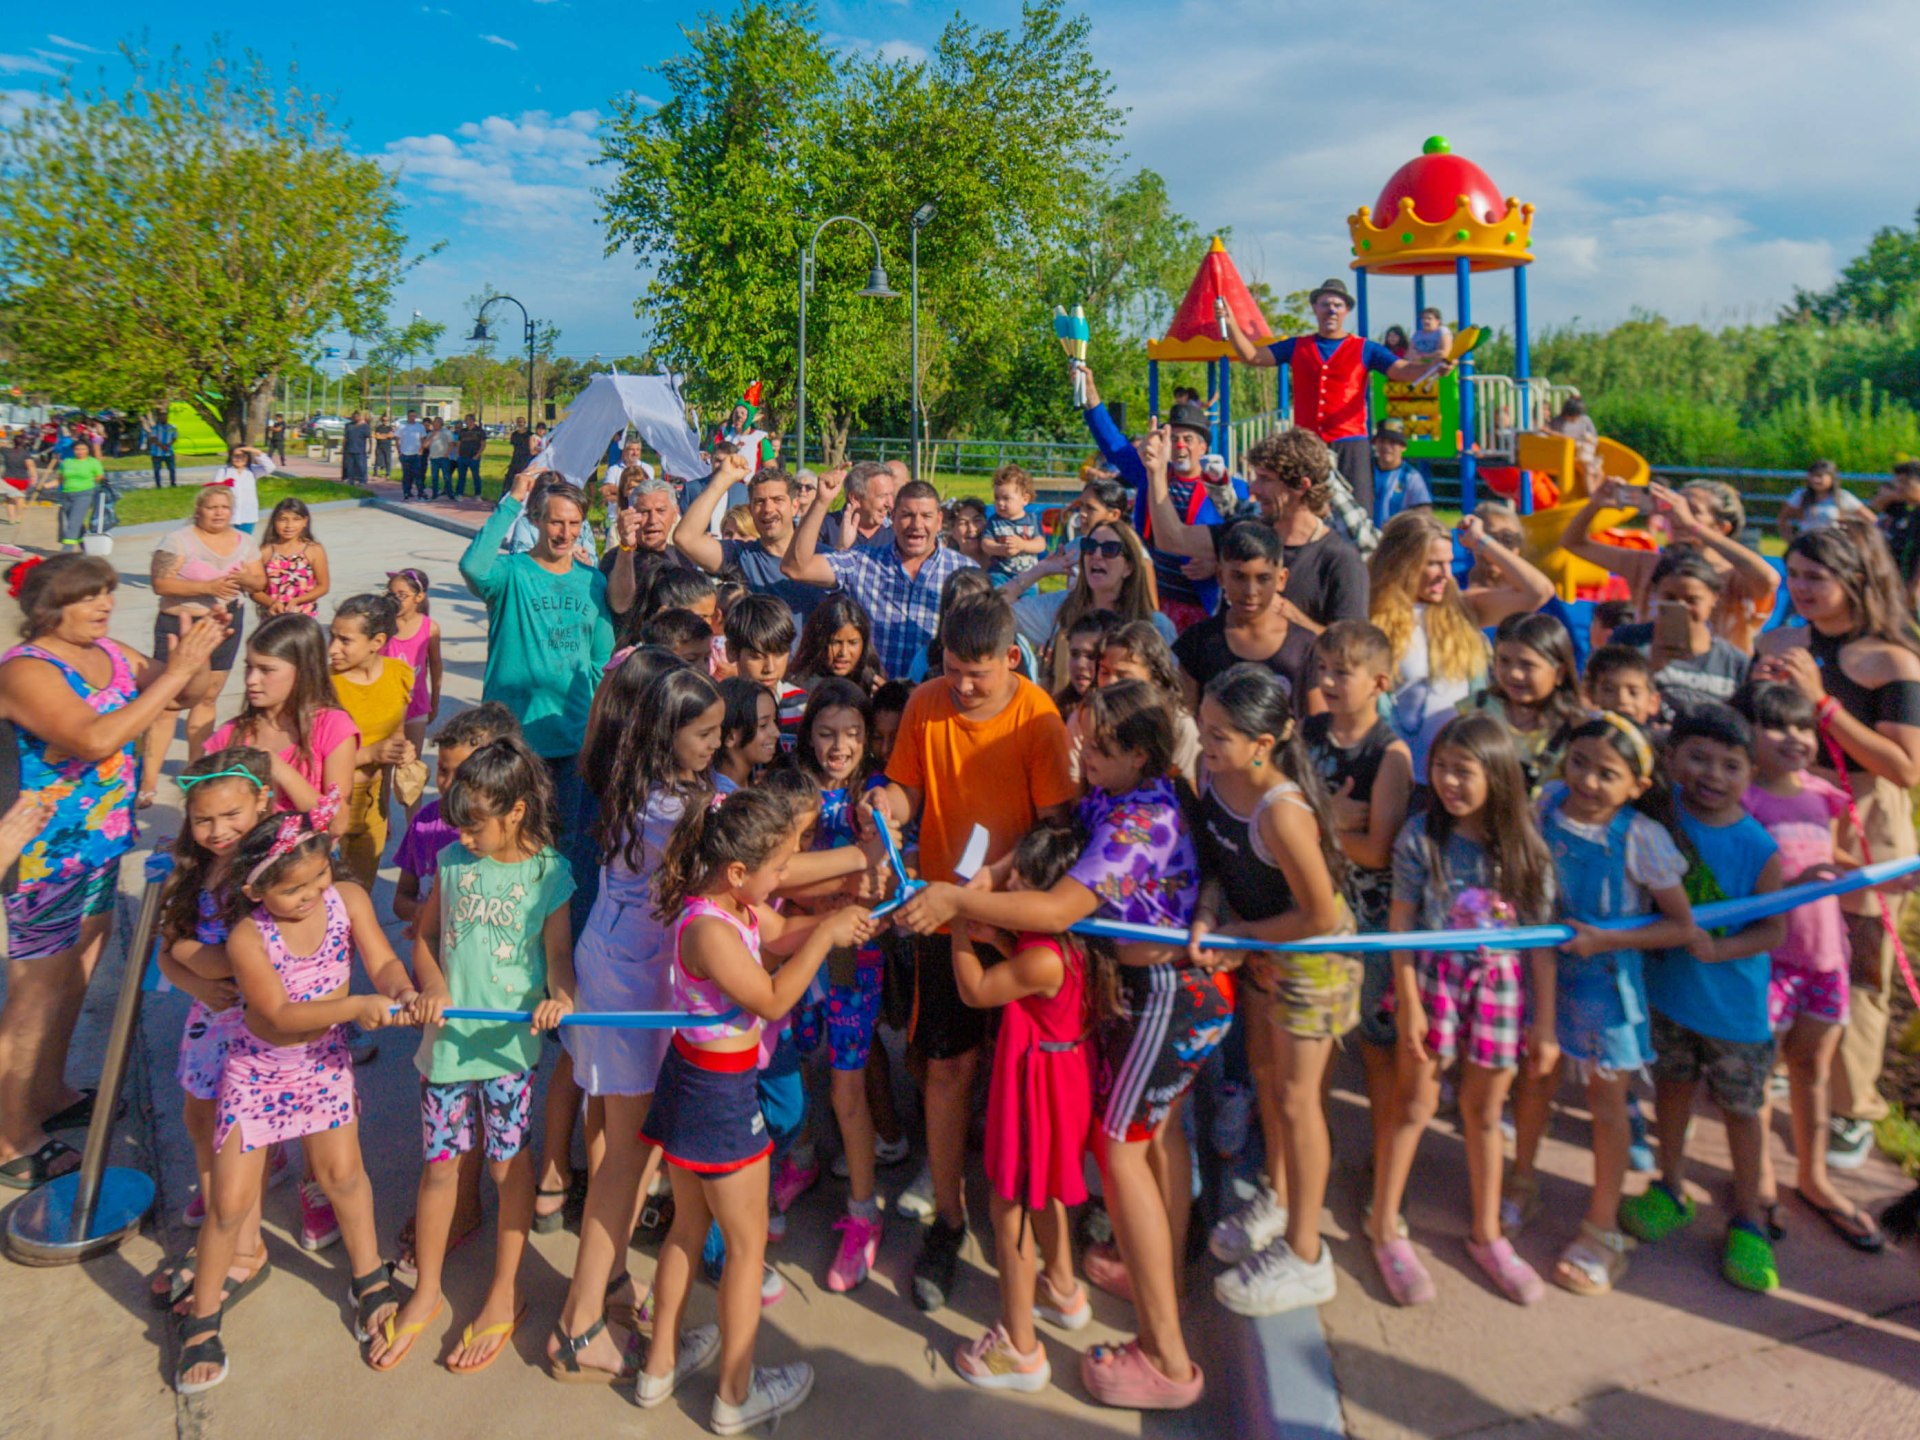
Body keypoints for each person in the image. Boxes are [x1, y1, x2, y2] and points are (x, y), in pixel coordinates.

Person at [898, 681, 1218, 1411]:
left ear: (1140, 754)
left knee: (1119, 1151)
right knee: (1126, 1146)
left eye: (1097, 747)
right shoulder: (1116, 794)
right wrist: (993, 874)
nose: (1078, 754)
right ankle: (1106, 1283)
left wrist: (957, 902)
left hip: (1161, 1000)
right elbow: (1056, 843)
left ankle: (1167, 1357)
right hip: (1121, 1003)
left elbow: (1057, 905)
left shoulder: (1147, 820)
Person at [862, 594, 1075, 1312]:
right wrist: (886, 807)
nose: (963, 687)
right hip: (941, 917)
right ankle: (949, 1215)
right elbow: (905, 790)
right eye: (953, 671)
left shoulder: (1040, 717)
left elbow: (1055, 828)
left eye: (977, 674)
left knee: (1022, 1079)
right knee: (946, 1071)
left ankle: (1036, 1222)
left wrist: (989, 884)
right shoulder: (925, 703)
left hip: (1017, 926)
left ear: (1012, 659)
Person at [637, 788, 873, 1432]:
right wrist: (826, 934)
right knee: (744, 1250)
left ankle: (659, 1367)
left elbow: (778, 933)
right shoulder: (712, 930)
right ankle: (734, 1398)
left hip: (693, 1082)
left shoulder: (730, 905)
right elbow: (770, 998)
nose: (783, 882)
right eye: (779, 870)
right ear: (739, 871)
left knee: (687, 1229)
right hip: (717, 1094)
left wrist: (842, 913)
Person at [173, 806, 417, 1394]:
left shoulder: (349, 900)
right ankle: (203, 1321)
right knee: (229, 1205)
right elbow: (277, 1017)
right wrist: (356, 1008)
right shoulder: (246, 936)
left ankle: (368, 1281)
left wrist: (400, 988)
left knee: (346, 1178)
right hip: (257, 1072)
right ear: (254, 888)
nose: (310, 895)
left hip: (323, 1067)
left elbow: (381, 960)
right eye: (292, 888)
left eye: (318, 879)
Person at [0, 557, 224, 1190]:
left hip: (100, 845)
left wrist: (198, 650)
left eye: (106, 593)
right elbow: (94, 738)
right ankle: (8, 1133)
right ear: (49, 608)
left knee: (76, 977)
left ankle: (48, 1093)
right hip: (42, 853)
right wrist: (173, 676)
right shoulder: (26, 672)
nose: (104, 606)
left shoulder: (111, 653)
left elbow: (187, 694)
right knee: (34, 993)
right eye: (88, 598)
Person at [371, 741, 577, 1373]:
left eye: (476, 822)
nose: (464, 834)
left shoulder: (550, 874)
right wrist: (431, 985)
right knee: (439, 1169)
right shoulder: (455, 862)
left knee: (505, 1165)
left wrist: (561, 998)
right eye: (460, 822)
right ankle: (426, 1290)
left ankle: (501, 1292)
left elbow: (560, 962)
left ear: (516, 812)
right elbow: (425, 939)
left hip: (510, 1050)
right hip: (449, 1049)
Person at [1369, 712, 1559, 1308]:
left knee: (1484, 1112)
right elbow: (1400, 925)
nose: (1449, 782)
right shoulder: (1421, 838)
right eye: (1441, 769)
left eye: (1463, 770)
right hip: (1431, 983)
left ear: (1497, 775)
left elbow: (1542, 947)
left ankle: (1487, 1234)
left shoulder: (1526, 847)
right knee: (1414, 1104)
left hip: (1502, 990)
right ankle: (1383, 1229)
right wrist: (1409, 1006)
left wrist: (1545, 1026)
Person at [1507, 714, 1697, 1295]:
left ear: (1637, 785)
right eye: (1581, 762)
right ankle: (1521, 1181)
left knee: (1607, 1104)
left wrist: (1607, 939)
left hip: (1606, 991)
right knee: (1533, 1082)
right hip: (1542, 978)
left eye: (1607, 773)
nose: (1588, 781)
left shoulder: (1642, 838)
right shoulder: (1545, 809)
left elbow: (1680, 927)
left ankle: (1601, 1226)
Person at [1754, 524, 1920, 1170]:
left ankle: (1853, 1105)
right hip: (1783, 815)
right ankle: (1782, 1064)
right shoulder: (1778, 641)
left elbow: (1904, 767)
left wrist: (1821, 705)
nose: (1802, 589)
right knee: (1781, 944)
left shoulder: (1893, 661)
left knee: (1858, 966)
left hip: (1866, 822)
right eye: (1795, 576)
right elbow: (1750, 727)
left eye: (1816, 578)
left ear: (1856, 580)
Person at [1191, 665, 1354, 1318]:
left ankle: (1306, 1253)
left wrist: (1242, 937)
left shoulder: (1282, 812)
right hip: (1257, 947)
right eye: (1203, 727)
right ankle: (1280, 1198)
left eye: (1219, 734)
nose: (1204, 743)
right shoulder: (1211, 775)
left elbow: (1318, 915)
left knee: (1295, 1100)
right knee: (1264, 1078)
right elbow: (1218, 865)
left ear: (1263, 743)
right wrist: (1210, 917)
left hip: (1308, 961)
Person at [1620, 705, 1787, 1294]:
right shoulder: (1656, 819)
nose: (1712, 774)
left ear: (1750, 772)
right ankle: (1670, 1186)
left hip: (1735, 1016)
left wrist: (1718, 952)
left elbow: (1774, 931)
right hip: (1669, 997)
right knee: (1671, 1091)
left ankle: (1748, 1219)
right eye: (1697, 758)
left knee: (1743, 1114)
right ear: (1671, 759)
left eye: (1730, 765)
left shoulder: (1758, 846)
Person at [147, 748, 304, 1315]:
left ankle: (246, 1249)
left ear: (263, 803)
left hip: (253, 1030)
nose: (217, 831)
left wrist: (186, 954)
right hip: (205, 1023)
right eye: (203, 819)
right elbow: (166, 960)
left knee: (239, 1140)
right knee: (199, 1122)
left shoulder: (267, 874)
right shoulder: (194, 872)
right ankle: (219, 1235)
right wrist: (188, 976)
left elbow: (226, 962)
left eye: (232, 816)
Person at [1734, 682, 1884, 1251]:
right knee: (1760, 1070)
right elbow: (1740, 877)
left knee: (1813, 1067)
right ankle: (1761, 1178)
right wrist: (1791, 885)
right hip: (1770, 960)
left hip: (1825, 957)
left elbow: (1832, 860)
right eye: (1777, 726)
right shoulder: (1745, 801)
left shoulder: (1824, 796)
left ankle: (1814, 1177)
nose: (1794, 737)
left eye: (1802, 726)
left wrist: (1884, 875)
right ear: (1746, 734)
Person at [947, 823, 1095, 1394]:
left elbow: (976, 990)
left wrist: (958, 921)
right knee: (1047, 1193)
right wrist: (1003, 939)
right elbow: (1035, 969)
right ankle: (1062, 1289)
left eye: (1022, 886)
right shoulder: (1072, 942)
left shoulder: (1042, 959)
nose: (1012, 896)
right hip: (1061, 1079)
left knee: (1008, 1207)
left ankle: (1020, 1348)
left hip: (1034, 1086)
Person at [460, 464, 618, 904]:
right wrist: (512, 498)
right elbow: (473, 566)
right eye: (555, 521)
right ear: (536, 522)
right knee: (505, 844)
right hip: (511, 742)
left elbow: (601, 658)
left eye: (574, 524)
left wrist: (587, 719)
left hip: (569, 742)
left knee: (560, 848)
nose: (564, 533)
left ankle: (554, 938)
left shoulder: (592, 581)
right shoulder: (510, 574)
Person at [1303, 621, 1413, 1171]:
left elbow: (1378, 850)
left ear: (1378, 682)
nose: (1326, 680)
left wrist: (1319, 828)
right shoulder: (1311, 732)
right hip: (1314, 912)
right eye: (1322, 668)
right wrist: (1327, 820)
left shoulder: (1390, 755)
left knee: (1374, 1044)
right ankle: (1308, 1156)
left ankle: (1384, 1162)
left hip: (1367, 923)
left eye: (1341, 672)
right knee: (1315, 1046)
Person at [1221, 277, 1449, 511]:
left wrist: (1431, 368)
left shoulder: (1365, 348)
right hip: (1306, 443)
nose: (1331, 310)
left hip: (1350, 443)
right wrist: (1230, 325)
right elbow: (1252, 356)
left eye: (1338, 305)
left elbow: (1401, 370)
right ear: (1315, 308)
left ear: (1347, 310)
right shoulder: (1297, 345)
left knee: (1358, 508)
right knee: (1303, 507)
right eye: (1325, 304)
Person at [1369, 510, 1554, 774]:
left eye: (1449, 563)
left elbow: (1538, 591)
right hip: (1398, 774)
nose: (1447, 573)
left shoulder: (1463, 608)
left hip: (1463, 772)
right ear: (1402, 562)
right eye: (1434, 563)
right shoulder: (1369, 613)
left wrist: (1482, 542)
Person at [1144, 426, 1369, 631]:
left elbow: (1350, 650)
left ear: (1301, 486)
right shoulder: (1247, 533)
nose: (1253, 488)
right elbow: (1171, 539)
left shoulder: (1340, 561)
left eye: (1265, 479)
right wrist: (1156, 471)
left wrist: (1292, 616)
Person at [1075, 370, 1243, 627]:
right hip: (1150, 601)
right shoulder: (1152, 475)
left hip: (1204, 608)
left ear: (1203, 447)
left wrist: (1217, 564)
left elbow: (1248, 545)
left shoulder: (1231, 489)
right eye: (1173, 438)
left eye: (1188, 439)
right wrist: (1091, 397)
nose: (1179, 446)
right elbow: (1114, 445)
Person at [783, 469, 979, 679]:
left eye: (926, 516)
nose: (916, 525)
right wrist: (821, 502)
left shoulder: (965, 573)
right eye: (907, 515)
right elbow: (796, 567)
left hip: (935, 700)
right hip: (872, 700)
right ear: (892, 517)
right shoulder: (862, 561)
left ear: (939, 521)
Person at [1562, 478, 1779, 655]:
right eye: (1675, 506)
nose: (1678, 516)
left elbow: (1768, 579)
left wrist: (1693, 527)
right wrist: (1595, 504)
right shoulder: (1647, 565)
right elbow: (1573, 543)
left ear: (1721, 527)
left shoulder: (1734, 577)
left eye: (1692, 510)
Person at [147, 486, 268, 769]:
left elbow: (260, 582)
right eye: (211, 507)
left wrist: (246, 579)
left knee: (208, 696)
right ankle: (149, 778)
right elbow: (160, 583)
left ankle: (195, 767)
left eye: (224, 507)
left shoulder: (245, 542)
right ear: (198, 510)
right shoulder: (178, 540)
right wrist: (207, 587)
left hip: (225, 624)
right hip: (181, 623)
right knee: (168, 699)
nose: (218, 513)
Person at [205, 615, 359, 831]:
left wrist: (277, 768)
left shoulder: (333, 727)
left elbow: (336, 824)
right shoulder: (231, 734)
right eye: (249, 667)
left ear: (303, 671)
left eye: (266, 670)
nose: (251, 680)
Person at [999, 519, 1174, 691]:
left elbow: (1170, 689)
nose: (1096, 555)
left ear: (1128, 567)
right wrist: (1040, 569)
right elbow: (990, 610)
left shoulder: (1156, 626)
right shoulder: (1060, 607)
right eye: (1089, 546)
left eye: (1109, 549)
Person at [1173, 520, 1317, 715]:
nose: (1250, 591)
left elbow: (1317, 727)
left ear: (1281, 579)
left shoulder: (1305, 647)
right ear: (1221, 576)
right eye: (1239, 577)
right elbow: (1187, 722)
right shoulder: (1198, 642)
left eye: (1263, 578)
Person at [327, 594, 418, 890]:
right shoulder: (324, 685)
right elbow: (312, 757)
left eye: (344, 640)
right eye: (332, 637)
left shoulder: (398, 675)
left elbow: (397, 733)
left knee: (359, 892)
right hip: (331, 807)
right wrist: (371, 753)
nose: (332, 649)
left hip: (374, 806)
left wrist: (403, 752)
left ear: (377, 642)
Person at [675, 455, 829, 624]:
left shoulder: (824, 557)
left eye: (778, 500)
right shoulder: (740, 555)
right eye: (760, 502)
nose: (768, 509)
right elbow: (685, 538)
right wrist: (722, 479)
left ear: (795, 507)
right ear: (750, 510)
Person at [1607, 550, 1751, 724]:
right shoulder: (1629, 640)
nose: (1681, 606)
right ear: (1655, 594)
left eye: (1692, 600)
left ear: (1713, 599)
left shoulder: (1734, 662)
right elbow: (1604, 694)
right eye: (1670, 597)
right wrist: (1650, 667)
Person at [1469, 612, 1587, 795]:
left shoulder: (1577, 729)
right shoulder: (1474, 710)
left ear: (1560, 673)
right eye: (1504, 661)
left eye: (1527, 665)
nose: (1514, 673)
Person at [383, 568, 442, 770]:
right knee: (383, 768)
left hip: (416, 705)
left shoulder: (429, 628)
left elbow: (435, 665)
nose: (396, 600)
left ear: (419, 597)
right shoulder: (383, 626)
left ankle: (413, 804)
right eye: (391, 594)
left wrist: (434, 702)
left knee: (412, 768)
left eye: (402, 595)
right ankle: (382, 803)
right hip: (385, 705)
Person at [789, 593, 883, 694]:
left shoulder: (874, 687)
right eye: (835, 642)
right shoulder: (800, 693)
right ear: (818, 642)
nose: (843, 653)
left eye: (852, 643)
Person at [252, 498, 330, 621]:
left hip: (303, 618)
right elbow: (255, 591)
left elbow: (323, 586)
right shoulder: (265, 551)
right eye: (283, 520)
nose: (289, 525)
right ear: (274, 522)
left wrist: (297, 600)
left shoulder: (313, 549)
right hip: (272, 619)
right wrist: (272, 603)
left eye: (296, 519)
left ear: (305, 521)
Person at [981, 464, 1047, 584]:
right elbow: (986, 544)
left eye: (1006, 498)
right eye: (997, 498)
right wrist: (1001, 549)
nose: (1000, 503)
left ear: (1025, 499)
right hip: (1000, 575)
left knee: (1029, 602)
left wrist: (1022, 545)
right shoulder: (994, 521)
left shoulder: (1031, 520)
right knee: (998, 601)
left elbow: (1041, 544)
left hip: (1028, 576)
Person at [1780, 459, 1868, 544]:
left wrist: (1856, 539)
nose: (1815, 480)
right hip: (1807, 545)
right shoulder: (1800, 495)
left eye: (1820, 476)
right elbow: (1783, 518)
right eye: (1812, 476)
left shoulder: (1843, 496)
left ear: (1832, 477)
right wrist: (1790, 541)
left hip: (1834, 545)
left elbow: (1870, 519)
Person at [1370, 421, 1432, 529]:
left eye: (1393, 443)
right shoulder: (1366, 471)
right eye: (1382, 441)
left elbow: (1423, 512)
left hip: (1397, 538)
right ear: (1375, 444)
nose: (1386, 447)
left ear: (1403, 447)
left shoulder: (1411, 477)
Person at [826, 460, 895, 551]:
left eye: (891, 495)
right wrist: (841, 547)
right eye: (882, 496)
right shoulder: (825, 527)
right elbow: (804, 562)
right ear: (855, 498)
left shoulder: (898, 532)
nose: (890, 504)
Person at [52, 439, 103, 549]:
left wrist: (87, 484)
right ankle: (86, 547)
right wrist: (47, 485)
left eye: (83, 449)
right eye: (77, 449)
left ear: (88, 450)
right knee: (77, 522)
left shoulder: (93, 462)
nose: (80, 452)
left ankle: (66, 551)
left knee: (73, 524)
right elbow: (60, 478)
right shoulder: (67, 462)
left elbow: (99, 477)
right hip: (66, 495)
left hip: (84, 495)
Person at [212, 445, 270, 534]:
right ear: (231, 457)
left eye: (242, 456)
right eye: (236, 456)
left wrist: (256, 451)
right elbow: (216, 490)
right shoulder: (223, 471)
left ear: (247, 458)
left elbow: (270, 467)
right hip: (229, 516)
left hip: (247, 515)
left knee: (245, 543)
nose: (239, 459)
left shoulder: (252, 471)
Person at [2, 428, 39, 525]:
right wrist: (34, 476)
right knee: (20, 498)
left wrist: (6, 441)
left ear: (13, 442)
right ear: (24, 443)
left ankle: (11, 519)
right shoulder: (25, 453)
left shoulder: (6, 451)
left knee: (10, 500)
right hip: (22, 479)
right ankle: (19, 517)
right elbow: (30, 465)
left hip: (8, 478)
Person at [453, 414, 486, 500]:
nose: (466, 422)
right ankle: (459, 493)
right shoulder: (463, 431)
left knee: (475, 476)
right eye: (465, 420)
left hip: (473, 457)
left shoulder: (479, 431)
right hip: (462, 457)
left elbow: (483, 444)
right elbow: (459, 443)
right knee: (461, 476)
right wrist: (457, 454)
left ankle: (477, 494)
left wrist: (477, 455)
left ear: (472, 420)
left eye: (467, 420)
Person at [396, 411, 427, 500]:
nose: (412, 418)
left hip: (416, 454)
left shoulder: (420, 427)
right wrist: (399, 451)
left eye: (414, 416)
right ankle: (407, 492)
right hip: (405, 453)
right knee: (406, 475)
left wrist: (421, 450)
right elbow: (397, 439)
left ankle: (420, 492)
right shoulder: (402, 427)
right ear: (407, 417)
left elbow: (423, 439)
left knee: (418, 475)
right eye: (410, 416)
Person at [146, 410, 180, 488]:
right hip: (157, 453)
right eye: (161, 417)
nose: (163, 419)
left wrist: (168, 445)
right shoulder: (155, 428)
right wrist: (162, 446)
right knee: (157, 470)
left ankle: (173, 483)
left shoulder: (172, 427)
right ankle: (158, 485)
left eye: (165, 417)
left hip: (169, 452)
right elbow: (153, 439)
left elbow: (174, 438)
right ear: (159, 418)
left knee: (172, 469)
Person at [427, 418, 457, 500]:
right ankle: (434, 494)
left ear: (440, 424)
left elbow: (451, 444)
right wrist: (432, 436)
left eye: (436, 423)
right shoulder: (430, 433)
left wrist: (447, 453)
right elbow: (425, 445)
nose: (434, 424)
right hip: (433, 458)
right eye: (433, 423)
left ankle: (450, 494)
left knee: (447, 477)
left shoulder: (446, 432)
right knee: (434, 477)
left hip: (443, 458)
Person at [341, 411, 371, 485]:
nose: (355, 418)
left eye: (357, 416)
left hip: (360, 450)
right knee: (350, 466)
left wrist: (370, 448)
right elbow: (345, 437)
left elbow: (369, 437)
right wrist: (343, 447)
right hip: (349, 449)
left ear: (360, 417)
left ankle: (362, 480)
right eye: (354, 416)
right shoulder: (349, 426)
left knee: (361, 466)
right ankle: (350, 480)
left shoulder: (365, 426)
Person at [507, 416, 532, 488]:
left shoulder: (529, 435)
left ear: (524, 423)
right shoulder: (514, 435)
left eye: (522, 422)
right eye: (519, 422)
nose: (520, 424)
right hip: (516, 458)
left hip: (526, 458)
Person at [372, 414, 396, 479]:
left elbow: (391, 435)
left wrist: (382, 435)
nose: (385, 421)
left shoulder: (390, 428)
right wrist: (386, 435)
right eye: (384, 420)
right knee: (377, 460)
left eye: (386, 420)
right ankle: (375, 474)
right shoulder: (378, 428)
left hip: (387, 446)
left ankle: (388, 474)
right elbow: (377, 436)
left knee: (388, 460)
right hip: (379, 446)